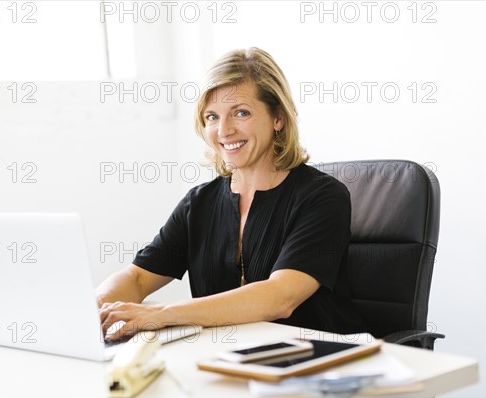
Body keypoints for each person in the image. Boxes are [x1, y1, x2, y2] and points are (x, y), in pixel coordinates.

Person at [96, 47, 362, 340]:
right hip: (223, 360)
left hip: (314, 365)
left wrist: (161, 315)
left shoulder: (323, 197)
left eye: (241, 113)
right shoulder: (198, 203)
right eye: (212, 117)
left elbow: (279, 298)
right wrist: (94, 309)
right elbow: (136, 277)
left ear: (278, 118)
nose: (224, 130)